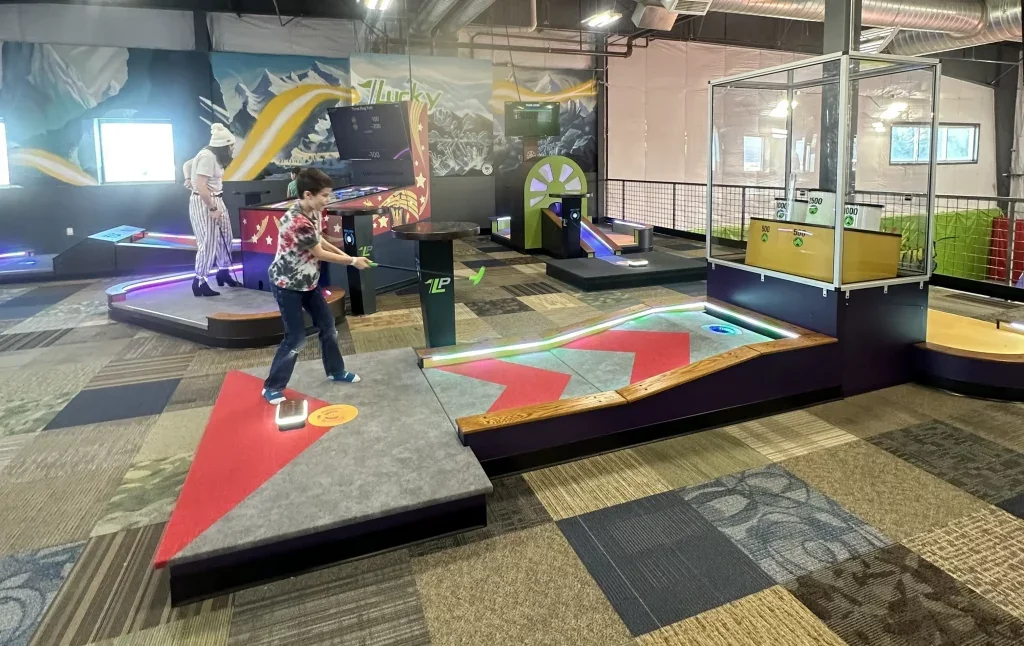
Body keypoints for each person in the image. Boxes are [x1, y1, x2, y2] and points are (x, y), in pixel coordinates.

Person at [262, 168, 372, 405]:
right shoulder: (296, 221)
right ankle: (272, 386)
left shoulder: (314, 212)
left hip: (308, 282)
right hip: (287, 285)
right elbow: (318, 252)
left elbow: (320, 240)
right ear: (308, 194)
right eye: (324, 195)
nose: (328, 200)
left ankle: (336, 370)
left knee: (328, 327)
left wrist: (347, 255)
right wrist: (352, 261)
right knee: (296, 338)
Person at [183, 123, 239, 297]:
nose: (232, 149)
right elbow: (201, 185)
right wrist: (212, 207)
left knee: (226, 238)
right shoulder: (207, 156)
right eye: (231, 146)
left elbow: (188, 164)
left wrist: (187, 177)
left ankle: (223, 272)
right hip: (205, 201)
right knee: (207, 242)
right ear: (223, 146)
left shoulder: (212, 155)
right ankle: (199, 281)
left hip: (217, 198)